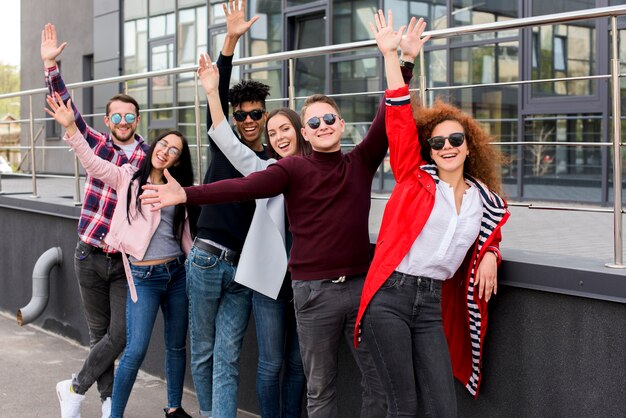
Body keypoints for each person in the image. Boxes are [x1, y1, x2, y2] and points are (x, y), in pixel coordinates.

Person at [139, 15, 424, 415]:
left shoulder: (360, 161)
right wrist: (185, 193)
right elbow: (241, 185)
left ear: (341, 124)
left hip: (360, 288)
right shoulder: (290, 170)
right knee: (318, 387)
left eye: (329, 118)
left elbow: (388, 117)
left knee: (375, 384)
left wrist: (399, 61)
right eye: (314, 122)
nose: (322, 125)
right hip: (311, 290)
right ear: (305, 132)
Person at [354, 11, 511, 417]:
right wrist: (393, 58)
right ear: (430, 149)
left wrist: (492, 252)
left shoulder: (483, 200)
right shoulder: (415, 178)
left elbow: (489, 233)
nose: (447, 146)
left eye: (455, 139)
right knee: (403, 406)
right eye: (438, 142)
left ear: (469, 145)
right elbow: (400, 120)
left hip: (430, 305)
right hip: (390, 297)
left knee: (444, 407)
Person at [46, 92, 196, 418]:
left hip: (176, 274)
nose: (166, 151)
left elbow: (185, 235)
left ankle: (172, 407)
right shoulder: (127, 176)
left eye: (175, 150)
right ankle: (94, 399)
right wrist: (71, 129)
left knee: (174, 344)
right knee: (130, 345)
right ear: (152, 147)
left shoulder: (179, 189)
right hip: (137, 273)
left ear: (179, 160)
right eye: (163, 144)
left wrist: (197, 267)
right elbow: (92, 161)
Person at [41, 23, 150, 418]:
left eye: (130, 116)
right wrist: (52, 68)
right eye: (117, 115)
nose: (123, 120)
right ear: (107, 120)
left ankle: (73, 386)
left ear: (138, 120)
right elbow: (66, 110)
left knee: (119, 336)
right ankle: (107, 405)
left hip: (122, 263)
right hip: (89, 253)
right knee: (98, 335)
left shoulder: (148, 157)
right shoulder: (97, 142)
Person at [198, 48, 308, 417]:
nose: (277, 136)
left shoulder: (314, 169)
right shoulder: (265, 168)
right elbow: (226, 141)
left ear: (299, 131)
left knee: (297, 365)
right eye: (272, 131)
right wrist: (213, 92)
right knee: (270, 364)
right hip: (265, 280)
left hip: (309, 280)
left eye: (283, 128)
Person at [185, 1, 270, 417]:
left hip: (242, 270)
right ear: (233, 119)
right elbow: (215, 92)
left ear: (265, 115)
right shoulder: (223, 141)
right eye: (242, 115)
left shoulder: (273, 162)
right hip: (205, 258)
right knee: (202, 353)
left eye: (255, 113)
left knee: (228, 356)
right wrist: (231, 39)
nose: (248, 119)